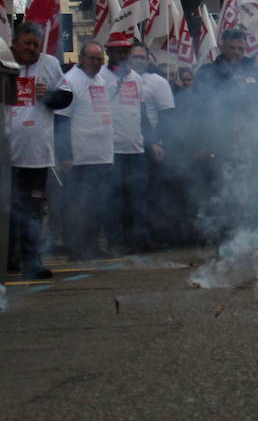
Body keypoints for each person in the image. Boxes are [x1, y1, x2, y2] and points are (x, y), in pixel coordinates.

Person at [191, 29, 258, 244]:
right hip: (221, 141)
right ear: (222, 47)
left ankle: (251, 233)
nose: (238, 52)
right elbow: (199, 110)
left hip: (250, 139)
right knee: (224, 189)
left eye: (241, 48)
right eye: (233, 48)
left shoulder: (250, 69)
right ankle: (223, 239)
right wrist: (201, 142)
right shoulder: (208, 73)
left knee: (257, 186)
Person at [5, 23, 73, 279]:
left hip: (37, 155)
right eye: (27, 43)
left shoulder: (49, 64)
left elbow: (66, 98)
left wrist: (48, 96)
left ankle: (32, 261)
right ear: (14, 43)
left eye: (35, 44)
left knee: (33, 211)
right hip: (6, 155)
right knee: (8, 210)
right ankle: (8, 258)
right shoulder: (3, 63)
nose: (31, 48)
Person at [55, 42, 117, 261]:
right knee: (76, 205)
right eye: (92, 58)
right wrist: (65, 155)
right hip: (79, 158)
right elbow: (62, 120)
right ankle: (75, 247)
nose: (96, 63)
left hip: (99, 155)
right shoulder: (70, 81)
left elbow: (106, 117)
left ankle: (92, 245)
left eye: (100, 59)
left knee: (96, 204)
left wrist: (108, 154)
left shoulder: (101, 80)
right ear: (81, 58)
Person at [105, 43, 159, 252]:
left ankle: (140, 238)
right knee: (114, 197)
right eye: (118, 51)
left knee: (138, 196)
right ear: (109, 52)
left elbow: (141, 112)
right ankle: (115, 241)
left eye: (125, 51)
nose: (123, 55)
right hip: (113, 149)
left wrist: (151, 141)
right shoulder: (102, 77)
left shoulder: (136, 78)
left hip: (135, 147)